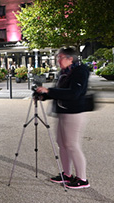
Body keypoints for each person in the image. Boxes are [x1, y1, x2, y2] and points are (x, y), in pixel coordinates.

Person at [36, 47, 90, 189]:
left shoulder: (80, 71)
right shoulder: (65, 71)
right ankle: (67, 174)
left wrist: (49, 91)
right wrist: (44, 95)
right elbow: (60, 92)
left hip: (74, 112)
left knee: (72, 144)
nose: (57, 60)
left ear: (70, 58)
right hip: (62, 111)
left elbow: (74, 93)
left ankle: (82, 179)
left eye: (60, 57)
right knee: (62, 143)